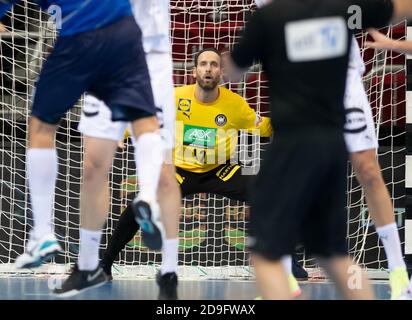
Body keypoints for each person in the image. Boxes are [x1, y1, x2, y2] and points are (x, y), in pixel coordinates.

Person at [226, 0, 412, 299]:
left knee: (368, 169)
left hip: (342, 87)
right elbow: (239, 62)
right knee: (288, 195)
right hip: (297, 102)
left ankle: (398, 271)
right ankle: (284, 276)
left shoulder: (341, 6)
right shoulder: (272, 13)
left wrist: (392, 40)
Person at [100, 47, 306, 297]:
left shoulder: (235, 104)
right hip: (179, 172)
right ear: (194, 70)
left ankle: (290, 265)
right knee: (136, 207)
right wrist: (118, 134)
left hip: (221, 171)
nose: (209, 68)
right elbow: (145, 119)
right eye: (204, 64)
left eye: (214, 64)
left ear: (221, 72)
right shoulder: (174, 98)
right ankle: (104, 265)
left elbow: (262, 128)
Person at [0, 0, 165, 297]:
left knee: (40, 126)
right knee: (141, 123)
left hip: (83, 38)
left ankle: (42, 233)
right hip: (126, 36)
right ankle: (148, 198)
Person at [77, 0, 181, 300]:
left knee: (163, 171)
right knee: (93, 166)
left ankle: (169, 270)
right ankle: (88, 265)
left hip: (151, 58)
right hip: (104, 54)